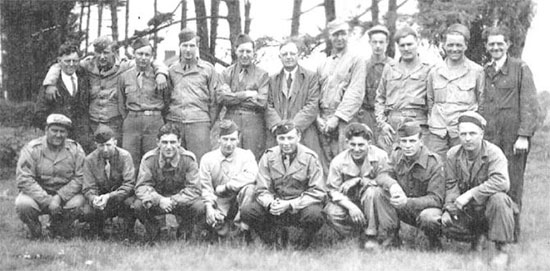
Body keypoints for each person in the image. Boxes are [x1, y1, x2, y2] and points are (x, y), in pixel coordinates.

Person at [42, 36, 169, 146]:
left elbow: (150, 62)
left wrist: (161, 73)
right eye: (98, 52)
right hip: (92, 124)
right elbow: (61, 64)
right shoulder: (88, 65)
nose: (102, 57)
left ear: (114, 52)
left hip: (115, 124)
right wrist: (49, 83)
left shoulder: (125, 66)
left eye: (106, 52)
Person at [481, 26, 540, 241]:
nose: (495, 47)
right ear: (487, 46)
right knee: (490, 184)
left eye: (500, 43)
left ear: (508, 45)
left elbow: (530, 105)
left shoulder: (520, 68)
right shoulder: (485, 71)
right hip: (490, 140)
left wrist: (524, 135)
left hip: (513, 141)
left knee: (513, 185)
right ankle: (490, 232)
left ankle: (511, 236)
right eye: (491, 44)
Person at [441, 111, 514, 265]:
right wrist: (449, 209)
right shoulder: (452, 155)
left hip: (488, 209)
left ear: (482, 133)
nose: (467, 138)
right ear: (458, 135)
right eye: (463, 134)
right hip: (467, 211)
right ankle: (477, 241)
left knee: (500, 199)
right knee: (440, 222)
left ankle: (502, 250)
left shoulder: (494, 153)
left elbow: (502, 181)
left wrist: (470, 194)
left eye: (472, 133)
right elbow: (451, 186)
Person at [240, 121, 326, 249]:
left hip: (298, 207)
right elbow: (262, 188)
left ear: (299, 137)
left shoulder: (310, 158)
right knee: (248, 211)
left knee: (315, 215)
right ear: (276, 139)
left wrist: (291, 204)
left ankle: (300, 244)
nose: (286, 143)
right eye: (282, 138)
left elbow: (318, 192)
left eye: (290, 138)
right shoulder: (268, 156)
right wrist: (270, 203)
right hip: (275, 207)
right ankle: (272, 240)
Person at [366, 119, 444, 250]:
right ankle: (390, 239)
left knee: (429, 217)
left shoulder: (434, 162)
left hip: (423, 209)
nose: (407, 146)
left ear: (421, 141)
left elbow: (436, 199)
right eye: (404, 141)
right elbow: (382, 174)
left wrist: (407, 202)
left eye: (412, 141)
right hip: (403, 205)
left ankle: (433, 241)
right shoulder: (397, 155)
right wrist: (393, 185)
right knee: (380, 193)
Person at [15, 114, 86, 239]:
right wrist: (47, 200)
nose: (58, 135)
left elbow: (80, 178)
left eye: (62, 131)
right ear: (46, 130)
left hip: (65, 196)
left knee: (78, 202)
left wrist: (59, 197)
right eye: (54, 130)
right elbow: (24, 179)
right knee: (23, 204)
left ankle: (58, 228)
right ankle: (34, 230)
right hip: (38, 194)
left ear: (67, 133)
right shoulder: (32, 149)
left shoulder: (75, 149)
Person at [323, 123, 392, 248]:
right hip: (349, 201)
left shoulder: (380, 156)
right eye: (352, 144)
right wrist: (350, 207)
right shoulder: (338, 161)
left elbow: (386, 181)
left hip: (374, 202)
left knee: (373, 192)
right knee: (331, 212)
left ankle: (372, 235)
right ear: (346, 143)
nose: (356, 149)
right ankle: (354, 237)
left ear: (369, 143)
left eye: (361, 145)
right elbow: (332, 190)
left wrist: (360, 180)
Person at [133, 123, 205, 242]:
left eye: (172, 142)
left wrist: (172, 200)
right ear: (158, 143)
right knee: (138, 205)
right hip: (157, 202)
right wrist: (159, 200)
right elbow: (142, 186)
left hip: (180, 202)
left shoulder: (188, 159)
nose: (168, 147)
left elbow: (194, 189)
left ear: (179, 142)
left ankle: (184, 229)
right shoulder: (149, 159)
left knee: (200, 206)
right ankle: (156, 230)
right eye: (165, 142)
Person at [427, 24, 484, 159]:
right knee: (436, 168)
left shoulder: (476, 71)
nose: (454, 49)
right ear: (444, 46)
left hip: (463, 132)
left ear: (466, 46)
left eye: (459, 45)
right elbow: (430, 101)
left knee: (462, 169)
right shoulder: (434, 71)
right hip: (438, 131)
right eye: (450, 45)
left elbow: (481, 103)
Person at [317, 18, 366, 172]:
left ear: (348, 35)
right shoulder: (323, 64)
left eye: (343, 34)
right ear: (330, 37)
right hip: (324, 119)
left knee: (346, 161)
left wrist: (337, 118)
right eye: (335, 35)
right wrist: (318, 117)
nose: (339, 38)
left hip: (345, 119)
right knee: (326, 162)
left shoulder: (356, 60)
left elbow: (355, 92)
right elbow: (316, 93)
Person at [167, 28, 223, 161]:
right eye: (184, 45)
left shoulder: (208, 69)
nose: (188, 49)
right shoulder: (172, 70)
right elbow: (166, 98)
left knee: (199, 161)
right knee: (175, 161)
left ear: (197, 47)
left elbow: (215, 101)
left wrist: (207, 121)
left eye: (192, 46)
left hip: (199, 123)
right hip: (175, 122)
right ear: (179, 47)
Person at [375, 26, 432, 154]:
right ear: (398, 47)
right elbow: (380, 98)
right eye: (402, 45)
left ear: (417, 42)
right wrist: (382, 124)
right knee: (392, 163)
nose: (406, 49)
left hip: (419, 124)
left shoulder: (428, 69)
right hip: (393, 126)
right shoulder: (389, 68)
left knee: (420, 163)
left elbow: (433, 102)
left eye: (410, 44)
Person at [200, 120, 258, 237]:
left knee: (250, 189)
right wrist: (209, 207)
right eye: (225, 139)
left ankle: (241, 228)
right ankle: (218, 229)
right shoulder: (208, 159)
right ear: (218, 139)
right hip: (218, 201)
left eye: (232, 139)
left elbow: (252, 176)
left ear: (238, 140)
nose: (228, 144)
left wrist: (227, 187)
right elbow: (205, 187)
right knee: (214, 224)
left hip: (238, 201)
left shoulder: (246, 156)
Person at [264, 39, 322, 156]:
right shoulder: (272, 79)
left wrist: (293, 129)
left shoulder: (310, 77)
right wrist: (278, 127)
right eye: (285, 54)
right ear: (279, 57)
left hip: (303, 133)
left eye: (292, 54)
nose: (289, 57)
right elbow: (268, 104)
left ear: (298, 55)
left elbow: (312, 104)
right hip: (278, 134)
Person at [118, 38, 169, 170]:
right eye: (140, 54)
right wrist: (130, 117)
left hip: (154, 121)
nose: (143, 58)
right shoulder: (124, 76)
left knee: (153, 158)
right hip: (131, 121)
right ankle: (131, 189)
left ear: (152, 57)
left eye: (147, 55)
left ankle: (150, 188)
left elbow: (167, 100)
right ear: (133, 54)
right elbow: (121, 103)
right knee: (130, 158)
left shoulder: (160, 77)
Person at [218, 34, 270, 160]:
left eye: (248, 51)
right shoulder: (226, 73)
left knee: (253, 157)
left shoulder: (262, 74)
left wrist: (233, 97)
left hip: (253, 121)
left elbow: (262, 101)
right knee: (229, 156)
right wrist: (247, 94)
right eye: (241, 51)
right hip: (231, 118)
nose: (245, 55)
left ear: (254, 53)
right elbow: (222, 97)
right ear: (235, 51)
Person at [34, 42, 92, 153]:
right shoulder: (50, 83)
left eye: (75, 61)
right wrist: (53, 131)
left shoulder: (84, 77)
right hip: (58, 139)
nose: (71, 64)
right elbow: (39, 112)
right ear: (59, 60)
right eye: (67, 61)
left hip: (82, 138)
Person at [81, 125, 136, 239]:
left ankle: (127, 233)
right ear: (96, 144)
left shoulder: (125, 156)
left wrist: (110, 196)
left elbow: (129, 184)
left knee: (131, 205)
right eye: (101, 145)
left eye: (108, 145)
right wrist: (94, 199)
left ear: (115, 142)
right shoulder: (89, 160)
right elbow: (88, 187)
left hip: (121, 198)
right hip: (101, 200)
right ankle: (97, 231)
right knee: (87, 210)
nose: (105, 149)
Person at [354, 25, 394, 143]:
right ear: (369, 43)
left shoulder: (394, 66)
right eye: (374, 42)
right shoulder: (362, 66)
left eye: (381, 42)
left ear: (387, 43)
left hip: (386, 117)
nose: (378, 46)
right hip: (366, 116)